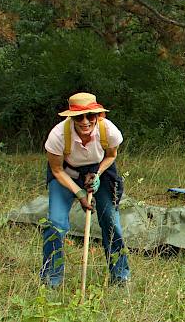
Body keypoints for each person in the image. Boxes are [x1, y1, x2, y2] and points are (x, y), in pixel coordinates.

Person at [41, 92, 130, 287]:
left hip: (100, 170)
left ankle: (120, 276)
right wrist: (80, 193)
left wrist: (97, 174)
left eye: (90, 116)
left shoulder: (109, 131)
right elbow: (56, 169)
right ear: (71, 117)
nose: (85, 121)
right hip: (66, 173)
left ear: (98, 115)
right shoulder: (57, 135)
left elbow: (111, 156)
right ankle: (51, 280)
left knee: (111, 221)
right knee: (56, 224)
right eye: (79, 117)